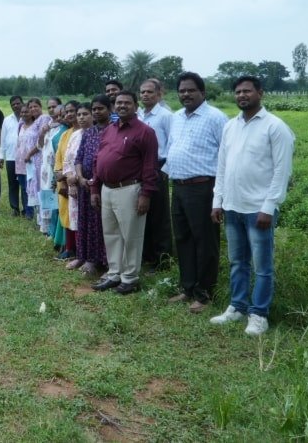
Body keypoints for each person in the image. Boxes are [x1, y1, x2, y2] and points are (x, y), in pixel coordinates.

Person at [210, 76, 295, 336]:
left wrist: (269, 206)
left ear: (261, 93)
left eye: (247, 91)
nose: (242, 95)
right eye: (238, 92)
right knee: (237, 261)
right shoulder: (230, 126)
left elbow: (282, 171)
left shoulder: (275, 127)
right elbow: (222, 166)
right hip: (233, 207)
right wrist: (218, 200)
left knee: (263, 266)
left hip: (259, 209)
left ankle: (259, 314)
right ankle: (237, 306)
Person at [164, 72, 228, 313]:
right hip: (178, 187)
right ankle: (188, 287)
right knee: (183, 239)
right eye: (182, 91)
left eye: (191, 90)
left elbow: (226, 155)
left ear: (203, 92)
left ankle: (204, 293)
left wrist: (219, 196)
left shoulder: (216, 118)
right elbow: (172, 148)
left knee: (205, 242)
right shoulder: (177, 117)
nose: (186, 94)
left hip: (203, 188)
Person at [90, 91, 158, 294]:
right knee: (111, 234)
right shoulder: (109, 130)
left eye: (127, 103)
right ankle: (114, 274)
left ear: (135, 106)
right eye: (119, 103)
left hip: (129, 189)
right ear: (114, 106)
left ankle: (130, 278)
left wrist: (146, 194)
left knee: (131, 236)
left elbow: (150, 166)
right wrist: (95, 188)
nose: (122, 106)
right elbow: (98, 160)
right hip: (107, 189)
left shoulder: (145, 132)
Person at [138, 78, 174, 271]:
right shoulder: (140, 115)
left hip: (159, 167)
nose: (145, 95)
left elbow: (172, 143)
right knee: (145, 212)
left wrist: (165, 171)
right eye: (142, 92)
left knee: (160, 215)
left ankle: (163, 259)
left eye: (150, 92)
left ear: (159, 94)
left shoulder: (165, 116)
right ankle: (148, 255)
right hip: (141, 168)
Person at [73, 95, 111, 276]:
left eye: (100, 108)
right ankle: (87, 257)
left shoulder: (113, 131)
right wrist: (80, 177)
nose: (96, 112)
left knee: (101, 224)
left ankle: (104, 261)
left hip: (103, 186)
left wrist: (95, 180)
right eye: (94, 109)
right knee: (85, 221)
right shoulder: (88, 132)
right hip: (84, 185)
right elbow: (79, 157)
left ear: (109, 109)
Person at [63, 102, 91, 267]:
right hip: (75, 185)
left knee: (91, 222)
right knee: (78, 221)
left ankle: (91, 258)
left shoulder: (98, 133)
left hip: (91, 184)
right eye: (79, 114)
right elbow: (68, 159)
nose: (81, 117)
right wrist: (70, 181)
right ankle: (80, 255)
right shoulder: (75, 134)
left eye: (85, 114)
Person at [53, 101, 79, 255]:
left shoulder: (87, 133)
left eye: (73, 111)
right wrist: (60, 177)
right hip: (64, 181)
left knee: (78, 215)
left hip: (78, 180)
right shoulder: (65, 134)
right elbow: (59, 159)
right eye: (67, 111)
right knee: (66, 212)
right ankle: (69, 247)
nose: (69, 114)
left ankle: (79, 249)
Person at [22, 98, 51, 221]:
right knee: (36, 187)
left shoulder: (44, 118)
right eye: (31, 107)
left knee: (42, 187)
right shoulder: (35, 121)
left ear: (40, 106)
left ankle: (46, 219)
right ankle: (40, 219)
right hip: (33, 161)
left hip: (40, 158)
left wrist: (29, 153)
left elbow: (42, 140)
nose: (33, 109)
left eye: (35, 106)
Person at [39, 105, 65, 237]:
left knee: (55, 200)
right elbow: (40, 145)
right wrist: (43, 132)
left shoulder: (65, 129)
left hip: (56, 169)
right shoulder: (49, 126)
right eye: (55, 115)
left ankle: (54, 231)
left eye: (61, 115)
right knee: (47, 197)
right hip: (46, 168)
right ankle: (47, 228)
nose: (58, 118)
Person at [0, 95, 24, 216]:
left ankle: (27, 209)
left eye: (18, 103)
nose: (16, 106)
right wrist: (1, 157)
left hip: (25, 158)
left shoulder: (29, 119)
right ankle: (15, 208)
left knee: (25, 185)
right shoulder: (7, 120)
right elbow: (2, 139)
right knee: (12, 184)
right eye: (13, 104)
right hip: (11, 157)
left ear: (22, 103)